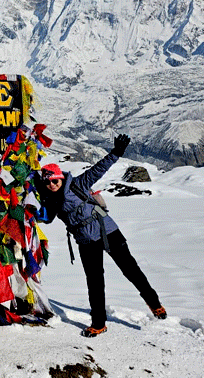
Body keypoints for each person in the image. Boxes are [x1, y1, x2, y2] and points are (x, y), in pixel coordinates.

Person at [36, 134, 166, 338]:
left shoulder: (78, 184)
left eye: (54, 180)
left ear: (60, 177)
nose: (52, 184)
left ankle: (154, 303)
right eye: (48, 182)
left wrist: (117, 152)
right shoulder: (50, 201)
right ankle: (98, 323)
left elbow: (99, 169)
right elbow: (45, 218)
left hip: (107, 230)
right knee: (95, 282)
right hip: (86, 241)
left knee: (131, 269)